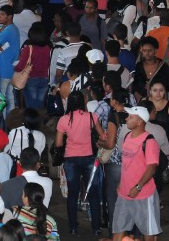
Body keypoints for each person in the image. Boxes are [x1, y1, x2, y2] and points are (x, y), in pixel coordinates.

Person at [55, 90, 104, 235]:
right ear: (83, 102)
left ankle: (73, 227)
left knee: (73, 194)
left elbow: (58, 143)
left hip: (71, 160)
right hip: (89, 158)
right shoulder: (92, 117)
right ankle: (96, 228)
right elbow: (102, 135)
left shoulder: (64, 119)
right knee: (93, 194)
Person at [112, 106, 162, 241]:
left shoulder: (149, 142)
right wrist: (121, 184)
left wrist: (138, 187)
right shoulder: (127, 136)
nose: (126, 119)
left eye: (130, 117)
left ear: (139, 121)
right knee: (118, 231)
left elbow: (151, 168)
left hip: (143, 195)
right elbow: (126, 165)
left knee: (148, 233)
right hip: (124, 194)